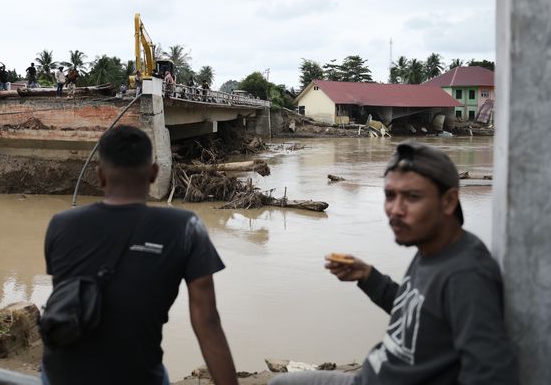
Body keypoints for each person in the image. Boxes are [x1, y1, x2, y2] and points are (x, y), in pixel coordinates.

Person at [269, 141, 518, 385]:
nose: (395, 209)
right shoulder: (430, 248)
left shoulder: (466, 274)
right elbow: (415, 314)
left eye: (412, 197)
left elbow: (491, 373)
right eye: (390, 195)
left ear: (448, 201)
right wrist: (368, 276)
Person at [42, 126, 238, 385]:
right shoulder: (185, 227)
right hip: (138, 376)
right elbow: (207, 322)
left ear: (100, 176)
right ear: (154, 174)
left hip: (60, 376)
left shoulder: (60, 224)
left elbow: (72, 300)